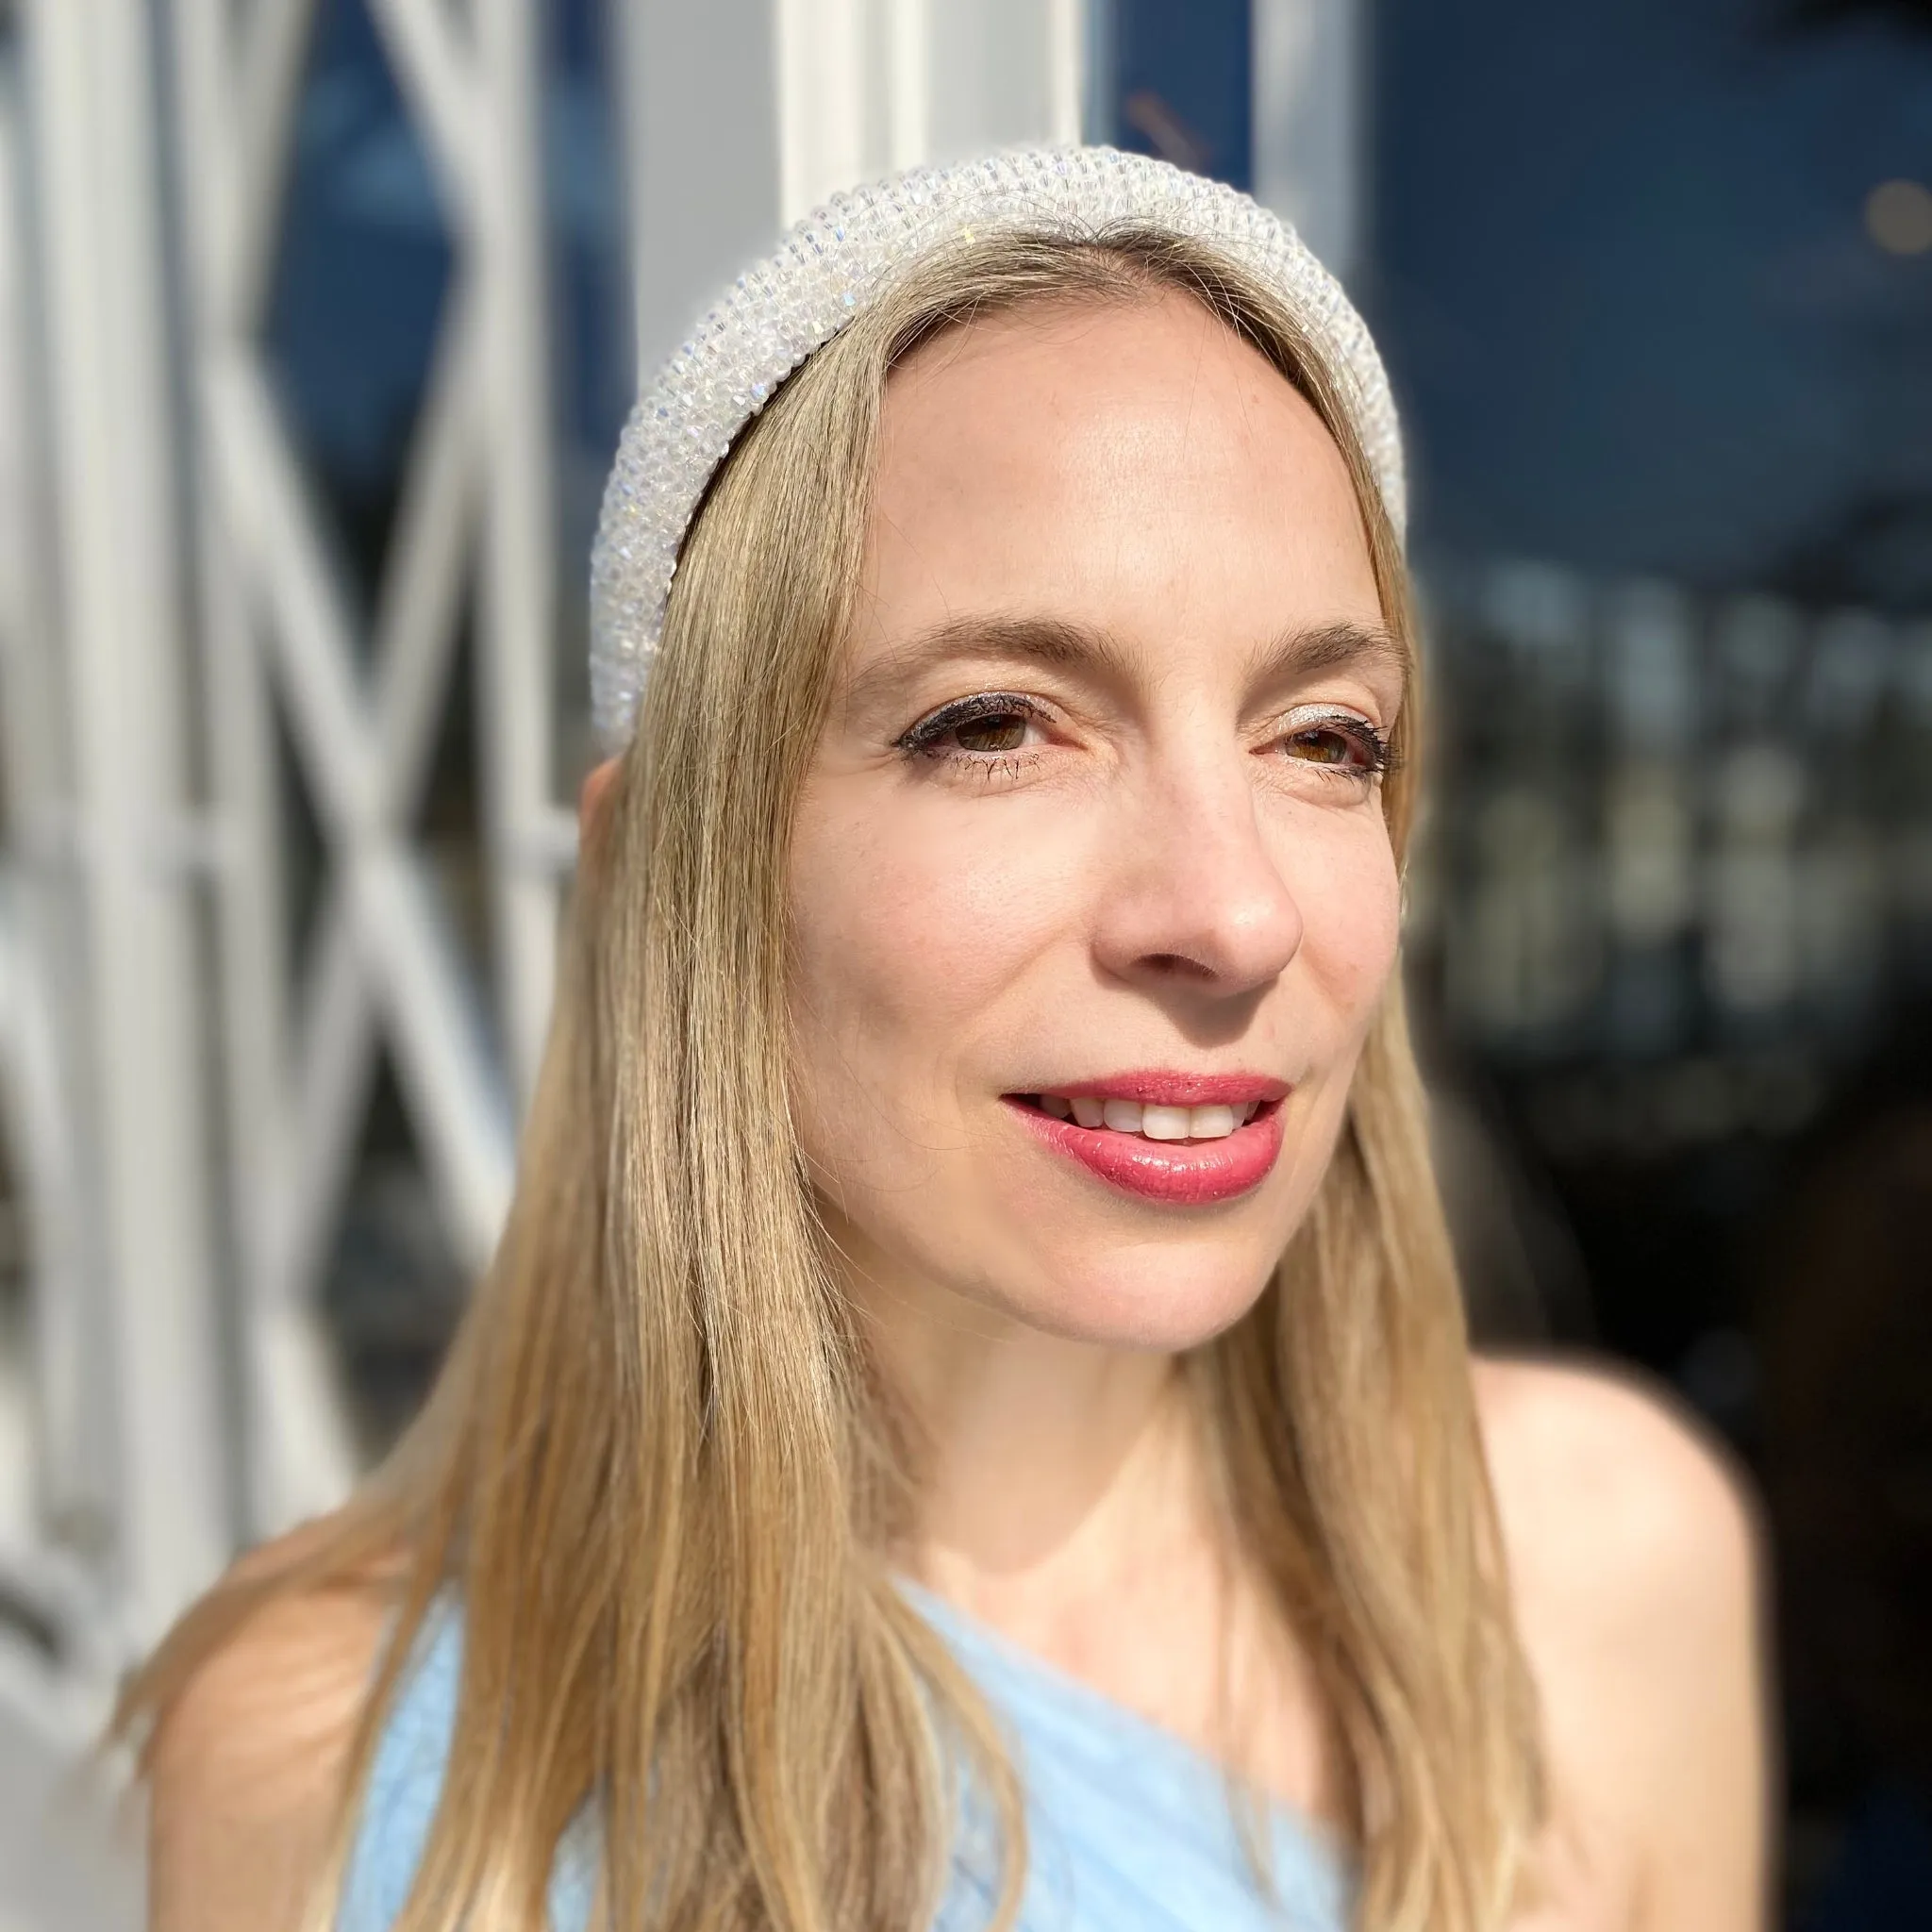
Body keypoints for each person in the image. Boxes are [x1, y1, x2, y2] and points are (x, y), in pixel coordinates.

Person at [126, 148, 1770, 1932]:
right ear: (667, 879)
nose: (1232, 917)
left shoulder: (1580, 1572)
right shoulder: (328, 1748)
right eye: (996, 725)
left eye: (1322, 738)